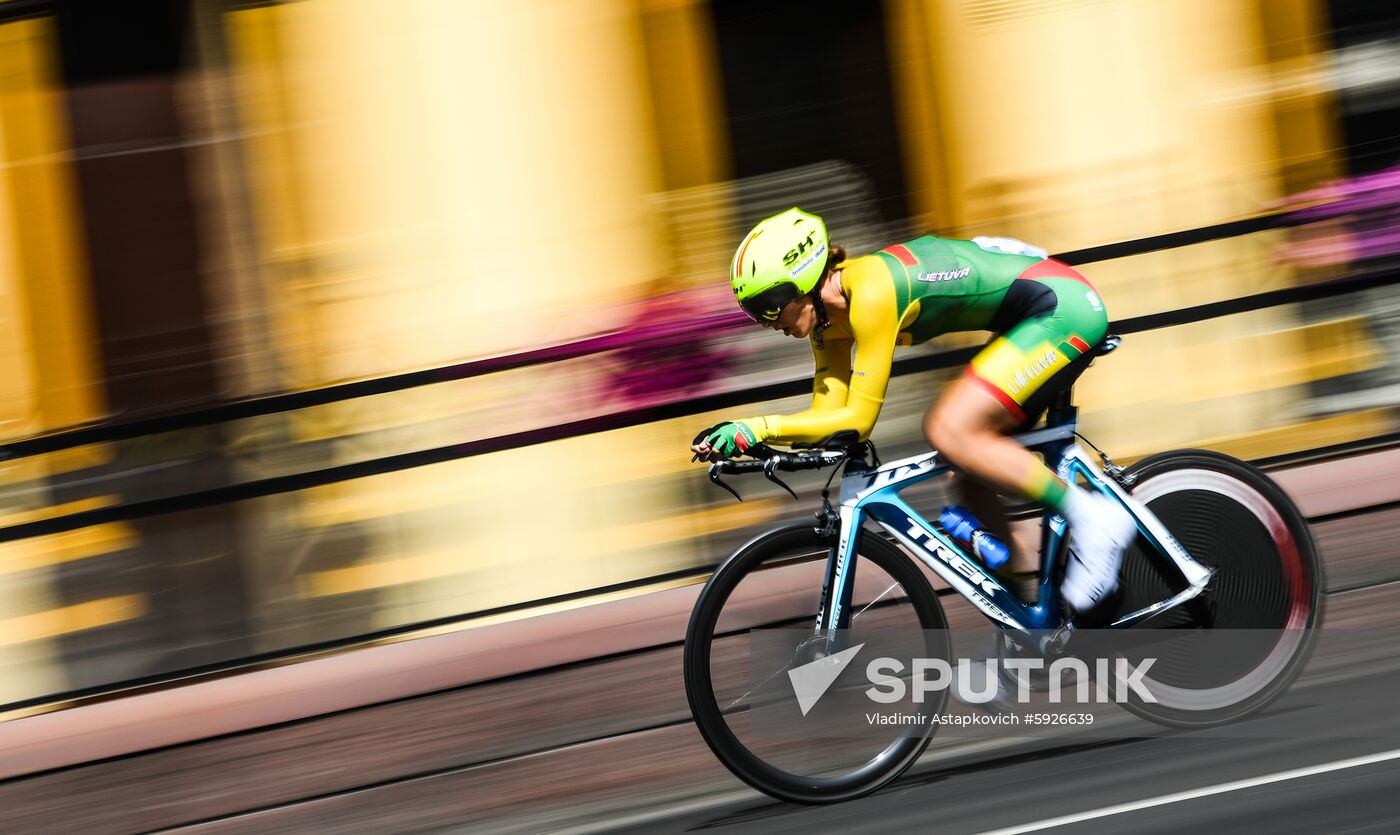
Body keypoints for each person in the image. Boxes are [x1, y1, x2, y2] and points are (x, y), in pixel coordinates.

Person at [690, 208, 1136, 612]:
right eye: (755, 315)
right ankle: (1029, 619)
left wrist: (759, 427)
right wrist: (750, 437)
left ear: (801, 279)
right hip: (1030, 316)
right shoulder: (828, 324)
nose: (769, 324)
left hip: (1063, 308)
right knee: (965, 477)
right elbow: (828, 416)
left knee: (948, 429)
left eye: (769, 307)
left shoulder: (872, 290)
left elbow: (858, 421)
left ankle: (1092, 516)